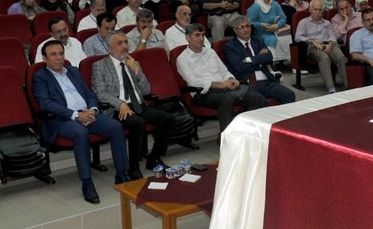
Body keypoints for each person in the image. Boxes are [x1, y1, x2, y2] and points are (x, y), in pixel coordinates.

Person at [34, 40, 132, 203]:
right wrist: (75, 115)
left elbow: (90, 94)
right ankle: (87, 183)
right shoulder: (40, 77)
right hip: (62, 119)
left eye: (61, 53)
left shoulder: (72, 71)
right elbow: (46, 104)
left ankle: (122, 174)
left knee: (115, 126)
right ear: (44, 59)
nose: (59, 58)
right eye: (53, 54)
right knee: (81, 133)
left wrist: (93, 110)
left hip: (87, 113)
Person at [91, 31, 175, 174]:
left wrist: (137, 71)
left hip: (138, 105)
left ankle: (154, 159)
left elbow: (146, 89)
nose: (125, 46)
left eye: (126, 42)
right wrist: (119, 103)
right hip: (118, 109)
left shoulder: (132, 62)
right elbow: (100, 93)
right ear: (109, 49)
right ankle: (133, 166)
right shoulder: (100, 66)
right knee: (138, 123)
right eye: (119, 43)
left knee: (168, 119)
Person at [175, 23, 265, 132]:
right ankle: (225, 136)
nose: (201, 38)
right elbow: (193, 82)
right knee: (227, 99)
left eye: (203, 35)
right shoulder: (182, 58)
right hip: (203, 94)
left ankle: (248, 132)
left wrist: (231, 79)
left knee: (255, 96)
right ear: (188, 37)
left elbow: (224, 71)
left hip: (225, 88)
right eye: (197, 35)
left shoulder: (211, 52)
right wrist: (219, 85)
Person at [223, 16, 296, 105]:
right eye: (241, 27)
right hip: (247, 84)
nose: (245, 30)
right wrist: (260, 61)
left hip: (266, 81)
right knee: (259, 101)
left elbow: (269, 57)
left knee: (289, 94)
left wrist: (249, 59)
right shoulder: (230, 46)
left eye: (247, 26)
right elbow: (239, 67)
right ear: (235, 30)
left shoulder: (258, 41)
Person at [294, 0, 347, 92]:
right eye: (315, 9)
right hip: (313, 48)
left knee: (341, 57)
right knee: (324, 58)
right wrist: (311, 41)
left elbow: (333, 37)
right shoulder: (304, 22)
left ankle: (347, 85)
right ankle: (331, 88)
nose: (317, 12)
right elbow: (297, 37)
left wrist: (330, 44)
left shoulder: (327, 23)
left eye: (320, 10)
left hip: (328, 45)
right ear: (310, 10)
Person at [246, 0, 291, 64]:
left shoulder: (275, 4)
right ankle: (270, 63)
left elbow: (283, 18)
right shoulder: (254, 8)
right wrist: (261, 25)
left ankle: (291, 63)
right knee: (271, 39)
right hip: (261, 32)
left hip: (277, 30)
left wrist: (277, 25)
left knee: (289, 38)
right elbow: (249, 23)